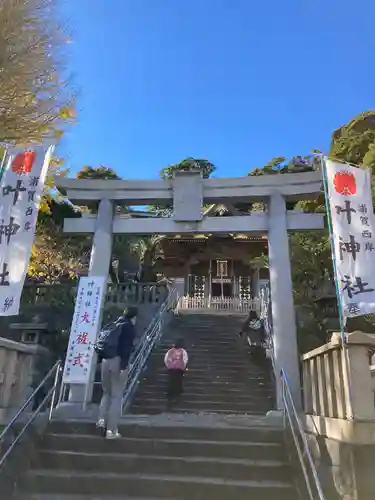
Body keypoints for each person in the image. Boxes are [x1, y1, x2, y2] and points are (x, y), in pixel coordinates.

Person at [96, 306, 138, 439]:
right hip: (118, 362)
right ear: (134, 317)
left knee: (106, 393)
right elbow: (126, 349)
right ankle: (111, 430)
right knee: (116, 396)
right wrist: (124, 367)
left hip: (105, 362)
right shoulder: (129, 328)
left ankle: (101, 420)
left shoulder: (114, 325)